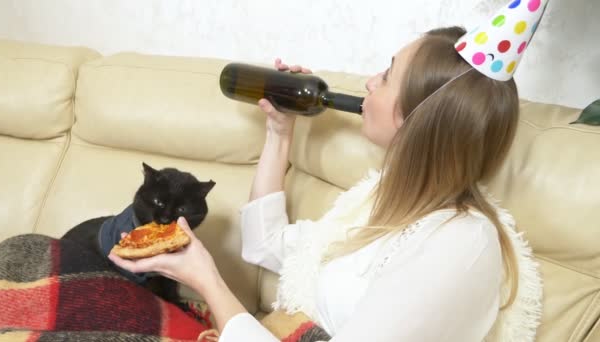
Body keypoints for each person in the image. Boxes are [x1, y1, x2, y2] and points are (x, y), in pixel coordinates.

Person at [110, 2, 549, 339]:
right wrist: (280, 132)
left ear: (415, 120)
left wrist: (206, 279)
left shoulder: (459, 245)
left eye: (387, 75)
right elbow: (268, 246)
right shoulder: (384, 198)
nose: (369, 83)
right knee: (49, 259)